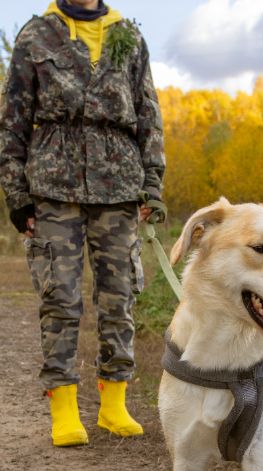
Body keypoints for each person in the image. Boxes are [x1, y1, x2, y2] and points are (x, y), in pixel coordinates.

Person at [0, 0, 166, 446]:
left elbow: (148, 113)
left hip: (119, 185)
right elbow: (12, 122)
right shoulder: (36, 34)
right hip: (54, 186)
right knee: (61, 297)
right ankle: (64, 409)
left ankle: (114, 405)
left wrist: (152, 185)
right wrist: (17, 195)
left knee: (120, 297)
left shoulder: (126, 34)